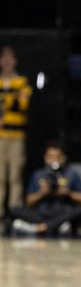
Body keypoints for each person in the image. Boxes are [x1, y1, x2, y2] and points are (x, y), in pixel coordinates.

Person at [10, 142, 81, 237]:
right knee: (14, 210)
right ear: (45, 157)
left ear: (63, 158)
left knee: (78, 211)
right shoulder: (38, 174)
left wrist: (68, 193)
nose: (53, 160)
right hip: (41, 213)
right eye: (50, 157)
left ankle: (38, 228)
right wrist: (41, 193)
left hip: (62, 212)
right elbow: (28, 201)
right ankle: (56, 226)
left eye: (57, 157)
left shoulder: (72, 174)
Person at [0, 46, 31, 223]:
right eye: (4, 58)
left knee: (15, 176)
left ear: (15, 61)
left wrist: (6, 100)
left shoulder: (22, 82)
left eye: (10, 58)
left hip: (17, 136)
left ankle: (14, 212)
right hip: (0, 136)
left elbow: (22, 105)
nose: (7, 62)